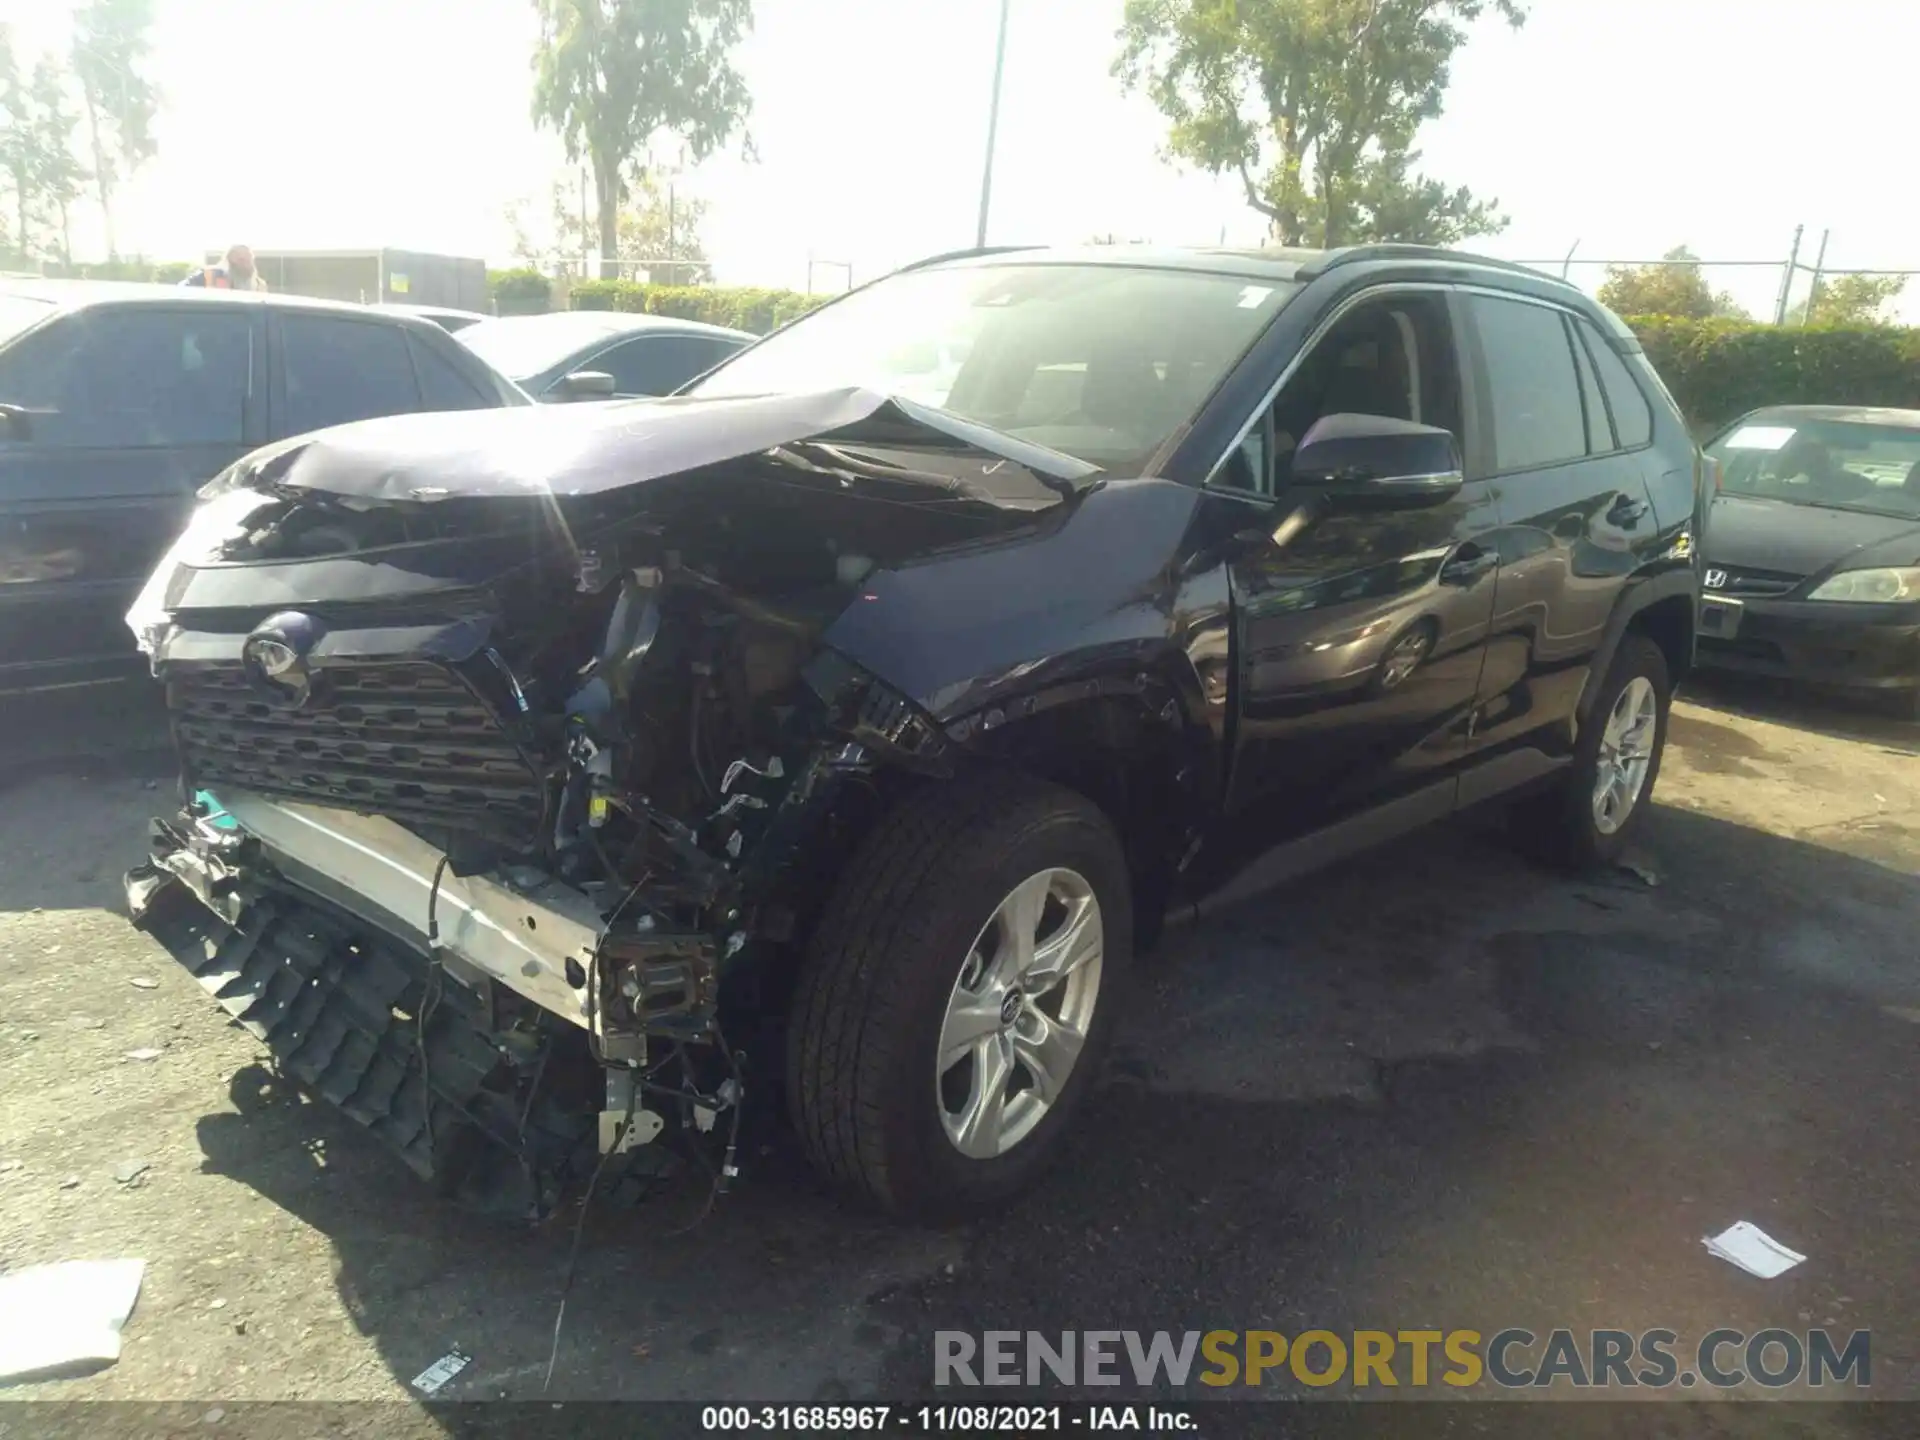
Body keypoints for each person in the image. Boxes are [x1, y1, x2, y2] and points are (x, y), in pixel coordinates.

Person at [181, 245, 268, 291]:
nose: (245, 264)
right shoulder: (208, 276)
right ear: (228, 260)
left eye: (248, 260)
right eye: (240, 259)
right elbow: (181, 291)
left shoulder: (260, 285)